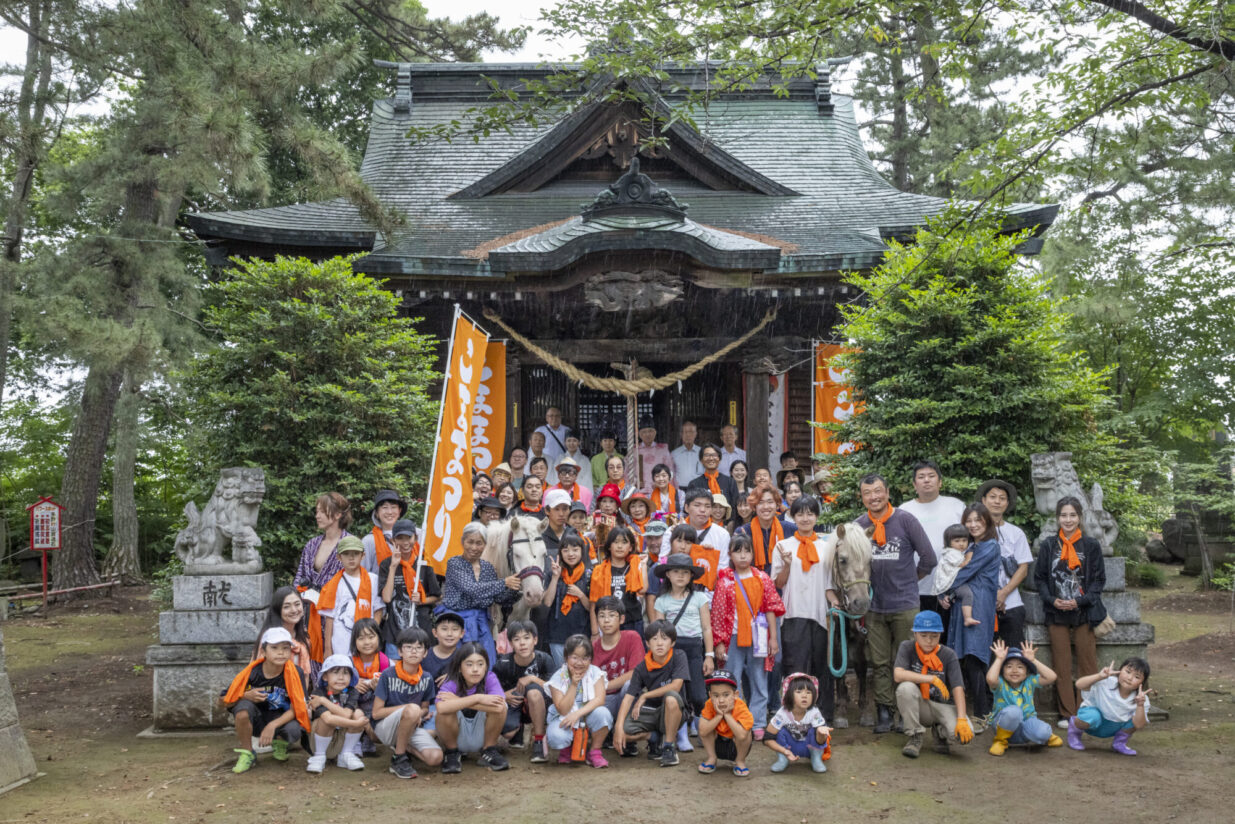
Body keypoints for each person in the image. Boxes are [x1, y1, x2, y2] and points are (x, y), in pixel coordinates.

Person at [856, 473, 937, 734]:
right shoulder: (859, 526)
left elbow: (929, 558)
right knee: (879, 662)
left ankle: (907, 712)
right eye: (868, 493)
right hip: (874, 607)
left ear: (888, 492)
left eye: (878, 491)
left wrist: (911, 580)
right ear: (862, 497)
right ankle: (884, 711)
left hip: (905, 605)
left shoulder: (905, 520)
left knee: (907, 660)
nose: (874, 497)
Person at [1035, 495, 1107, 724]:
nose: (1068, 520)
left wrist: (1080, 601)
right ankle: (1067, 713)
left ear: (1080, 517)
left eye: (1072, 515)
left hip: (1084, 612)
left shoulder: (1091, 545)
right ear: (1057, 518)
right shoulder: (1048, 545)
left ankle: (1085, 711)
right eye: (1063, 515)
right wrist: (1052, 600)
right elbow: (1040, 579)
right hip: (1056, 613)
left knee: (1088, 663)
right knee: (1062, 665)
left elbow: (1098, 581)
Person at [772, 496, 839, 723]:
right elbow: (777, 584)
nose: (805, 518)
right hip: (792, 614)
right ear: (792, 516)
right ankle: (793, 717)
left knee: (822, 667)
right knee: (795, 668)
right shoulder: (782, 546)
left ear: (817, 517)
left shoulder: (826, 547)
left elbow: (830, 585)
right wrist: (788, 565)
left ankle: (823, 717)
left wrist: (836, 605)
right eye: (800, 514)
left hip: (820, 615)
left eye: (810, 513)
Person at [711, 535, 785, 740]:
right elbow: (717, 613)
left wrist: (773, 638)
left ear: (753, 553)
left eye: (747, 551)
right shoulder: (724, 580)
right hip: (732, 637)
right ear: (730, 555)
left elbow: (771, 608)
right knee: (732, 680)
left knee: (759, 679)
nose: (743, 556)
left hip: (759, 637)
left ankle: (758, 722)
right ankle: (735, 720)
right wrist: (718, 642)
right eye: (738, 551)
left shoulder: (762, 578)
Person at [940, 504, 1001, 722]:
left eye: (979, 520)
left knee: (975, 657)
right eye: (969, 520)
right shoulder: (968, 546)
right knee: (961, 657)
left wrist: (943, 589)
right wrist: (946, 594)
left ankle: (982, 712)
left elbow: (964, 572)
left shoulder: (989, 546)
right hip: (963, 604)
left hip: (979, 605)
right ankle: (968, 711)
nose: (973, 525)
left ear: (987, 522)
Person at [223, 627, 311, 774]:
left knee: (295, 727)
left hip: (281, 720)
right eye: (274, 648)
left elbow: (299, 706)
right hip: (257, 719)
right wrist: (246, 695)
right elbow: (224, 700)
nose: (281, 652)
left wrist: (273, 726)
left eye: (285, 648)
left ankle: (280, 742)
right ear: (263, 651)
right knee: (243, 709)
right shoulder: (251, 673)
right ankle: (247, 753)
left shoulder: (296, 673)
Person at [652, 553, 714, 751]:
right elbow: (658, 632)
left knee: (698, 695)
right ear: (668, 574)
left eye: (685, 572)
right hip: (673, 651)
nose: (680, 576)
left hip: (695, 649)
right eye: (676, 571)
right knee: (678, 694)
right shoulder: (661, 601)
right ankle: (680, 736)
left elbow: (706, 628)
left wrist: (709, 655)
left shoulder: (699, 597)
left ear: (691, 576)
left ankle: (703, 731)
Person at [892, 611, 974, 758]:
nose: (929, 641)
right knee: (905, 688)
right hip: (920, 704)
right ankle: (915, 736)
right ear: (915, 634)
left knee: (966, 734)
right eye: (923, 636)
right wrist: (930, 679)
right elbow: (898, 675)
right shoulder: (907, 647)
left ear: (940, 635)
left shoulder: (948, 654)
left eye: (934, 636)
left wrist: (961, 718)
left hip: (944, 705)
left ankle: (940, 732)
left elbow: (958, 688)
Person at [439, 521, 522, 662]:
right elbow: (471, 589)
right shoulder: (455, 563)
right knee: (460, 662)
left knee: (487, 660)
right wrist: (504, 582)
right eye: (470, 542)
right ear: (462, 541)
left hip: (481, 623)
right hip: (456, 623)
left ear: (485, 545)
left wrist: (516, 589)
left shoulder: (488, 568)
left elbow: (498, 597)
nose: (474, 547)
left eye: (479, 543)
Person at [612, 620, 689, 767]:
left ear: (672, 643)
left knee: (671, 697)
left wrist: (645, 695)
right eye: (654, 639)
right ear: (647, 643)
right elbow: (628, 699)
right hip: (651, 713)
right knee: (624, 732)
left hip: (674, 712)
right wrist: (618, 728)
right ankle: (653, 737)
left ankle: (669, 747)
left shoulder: (679, 656)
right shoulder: (642, 667)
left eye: (664, 639)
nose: (659, 643)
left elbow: (676, 686)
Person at [371, 627, 443, 779]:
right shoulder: (387, 675)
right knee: (412, 709)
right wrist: (410, 710)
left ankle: (403, 747)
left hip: (411, 725)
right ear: (400, 652)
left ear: (425, 653)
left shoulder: (426, 678)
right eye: (408, 647)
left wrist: (419, 713)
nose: (414, 651)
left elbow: (424, 708)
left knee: (435, 758)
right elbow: (376, 713)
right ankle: (399, 758)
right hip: (385, 727)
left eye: (418, 648)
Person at [899, 462, 966, 616]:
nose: (926, 480)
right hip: (914, 588)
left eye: (931, 476)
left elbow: (970, 544)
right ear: (914, 484)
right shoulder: (903, 510)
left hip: (950, 588)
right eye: (921, 477)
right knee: (918, 637)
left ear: (940, 482)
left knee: (947, 637)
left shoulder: (956, 506)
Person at [294, 492, 353, 663]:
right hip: (309, 612)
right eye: (317, 511)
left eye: (321, 511)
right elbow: (300, 577)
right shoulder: (312, 544)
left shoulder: (349, 544)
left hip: (337, 615)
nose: (317, 516)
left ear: (337, 515)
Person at [435, 642, 510, 772]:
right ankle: (452, 753)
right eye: (469, 664)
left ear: (486, 666)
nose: (475, 669)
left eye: (480, 664)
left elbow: (499, 707)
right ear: (459, 667)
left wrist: (459, 701)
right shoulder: (451, 681)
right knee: (446, 711)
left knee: (502, 706)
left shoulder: (490, 678)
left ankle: (489, 750)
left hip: (482, 734)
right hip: (457, 736)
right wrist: (478, 698)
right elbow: (441, 708)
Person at [977, 478, 1034, 648]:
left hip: (1012, 602)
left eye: (1002, 498)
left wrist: (1003, 593)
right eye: (993, 497)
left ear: (1007, 503)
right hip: (982, 602)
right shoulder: (974, 530)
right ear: (983, 500)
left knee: (1015, 653)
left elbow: (1023, 568)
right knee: (983, 654)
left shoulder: (1016, 533)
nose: (997, 501)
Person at [544, 635, 613, 767]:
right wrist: (574, 685)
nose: (579, 663)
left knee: (603, 714)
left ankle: (594, 752)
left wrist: (577, 714)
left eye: (585, 658)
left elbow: (600, 699)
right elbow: (563, 709)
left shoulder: (595, 672)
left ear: (590, 659)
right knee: (556, 737)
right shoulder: (558, 677)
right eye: (574, 657)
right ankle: (567, 748)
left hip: (586, 715)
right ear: (566, 658)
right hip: (563, 717)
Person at [985, 640, 1062, 755]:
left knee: (1043, 732)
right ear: (1002, 671)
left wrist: (1033, 660)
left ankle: (1046, 736)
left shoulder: (1030, 681)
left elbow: (1052, 677)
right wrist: (999, 659)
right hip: (1003, 727)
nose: (1014, 670)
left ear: (1027, 672)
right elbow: (991, 679)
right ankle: (1000, 741)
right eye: (1009, 666)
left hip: (1025, 729)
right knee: (1014, 712)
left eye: (1020, 667)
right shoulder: (1000, 683)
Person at [591, 595, 645, 753]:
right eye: (601, 616)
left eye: (611, 615)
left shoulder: (632, 637)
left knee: (630, 685)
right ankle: (606, 732)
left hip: (626, 697)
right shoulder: (593, 647)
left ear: (621, 619)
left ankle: (627, 734)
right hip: (604, 699)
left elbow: (635, 673)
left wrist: (606, 685)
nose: (606, 621)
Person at [379, 519, 440, 657]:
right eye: (400, 538)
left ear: (416, 538)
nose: (405, 543)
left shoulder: (424, 562)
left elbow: (437, 595)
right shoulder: (386, 564)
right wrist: (393, 567)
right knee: (395, 674)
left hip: (422, 632)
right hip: (395, 633)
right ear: (393, 540)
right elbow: (387, 598)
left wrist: (422, 600)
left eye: (409, 537)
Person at [494, 620, 552, 762]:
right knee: (508, 733)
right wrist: (503, 695)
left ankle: (538, 740)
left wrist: (532, 679)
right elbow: (490, 690)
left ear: (535, 640)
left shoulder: (544, 659)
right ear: (510, 643)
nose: (522, 643)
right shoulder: (502, 664)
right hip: (514, 702)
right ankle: (517, 730)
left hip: (538, 703)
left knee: (533, 692)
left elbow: (555, 688)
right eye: (516, 639)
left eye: (526, 638)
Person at [319, 536, 385, 660]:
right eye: (346, 554)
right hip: (341, 642)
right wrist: (328, 648)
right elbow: (329, 617)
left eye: (355, 554)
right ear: (339, 557)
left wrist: (371, 634)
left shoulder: (372, 580)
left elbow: (378, 610)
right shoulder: (334, 583)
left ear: (363, 556)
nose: (351, 558)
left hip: (366, 641)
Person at [1068, 658, 1152, 755]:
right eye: (1128, 672)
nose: (1129, 678)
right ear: (1120, 670)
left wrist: (1140, 705)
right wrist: (1099, 676)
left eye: (1137, 677)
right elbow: (1079, 684)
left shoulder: (1141, 698)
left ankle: (1119, 743)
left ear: (1142, 682)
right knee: (1092, 715)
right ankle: (1074, 732)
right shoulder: (1106, 682)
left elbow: (1139, 724)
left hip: (1113, 728)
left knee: (1137, 716)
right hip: (1092, 723)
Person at [305, 654, 367, 774]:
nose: (341, 677)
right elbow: (328, 719)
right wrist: (356, 724)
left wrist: (324, 701)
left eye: (345, 673)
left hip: (341, 740)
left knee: (358, 713)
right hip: (320, 741)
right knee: (323, 720)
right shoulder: (319, 692)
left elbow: (346, 714)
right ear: (325, 676)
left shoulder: (352, 691)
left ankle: (346, 754)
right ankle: (319, 756)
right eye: (335, 672)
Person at [765, 673, 831, 774]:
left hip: (809, 748)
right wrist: (784, 751)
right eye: (799, 692)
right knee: (779, 730)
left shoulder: (814, 712)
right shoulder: (783, 713)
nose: (804, 695)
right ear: (789, 694)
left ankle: (816, 759)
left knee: (816, 730)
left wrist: (821, 734)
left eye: (809, 692)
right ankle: (783, 759)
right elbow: (767, 738)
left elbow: (821, 742)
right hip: (789, 748)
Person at [588, 525, 647, 635]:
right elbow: (593, 604)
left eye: (624, 542)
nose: (620, 546)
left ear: (630, 547)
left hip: (632, 622)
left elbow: (643, 589)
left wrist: (642, 565)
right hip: (608, 624)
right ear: (609, 546)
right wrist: (595, 632)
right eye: (616, 542)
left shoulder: (634, 566)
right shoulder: (599, 571)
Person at [545, 535, 593, 667]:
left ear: (582, 551)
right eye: (565, 550)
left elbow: (592, 608)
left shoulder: (590, 574)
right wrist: (555, 578)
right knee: (562, 674)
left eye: (575, 549)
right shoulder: (554, 572)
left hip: (582, 633)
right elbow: (548, 602)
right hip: (557, 634)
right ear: (560, 552)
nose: (570, 554)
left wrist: (581, 595)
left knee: (580, 671)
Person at [697, 669, 755, 776]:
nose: (721, 700)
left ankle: (740, 761)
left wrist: (727, 715)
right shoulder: (709, 704)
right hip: (717, 744)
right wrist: (719, 715)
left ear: (735, 694)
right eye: (716, 695)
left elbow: (742, 736)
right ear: (710, 695)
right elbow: (702, 731)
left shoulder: (741, 707)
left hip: (735, 747)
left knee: (747, 732)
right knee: (706, 726)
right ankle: (712, 758)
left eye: (726, 695)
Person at [253, 586, 316, 683]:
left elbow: (305, 676)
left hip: (298, 694)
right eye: (286, 606)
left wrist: (303, 697)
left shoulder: (304, 636)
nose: (294, 610)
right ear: (278, 611)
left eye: (297, 604)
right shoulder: (270, 639)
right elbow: (257, 674)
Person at [662, 486, 731, 571]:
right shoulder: (672, 531)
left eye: (707, 506)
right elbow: (662, 563)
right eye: (697, 505)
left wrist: (710, 557)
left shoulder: (722, 534)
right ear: (686, 508)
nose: (702, 510)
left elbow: (723, 569)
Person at [348, 617, 388, 758]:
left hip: (372, 700)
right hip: (355, 699)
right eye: (361, 638)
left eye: (371, 637)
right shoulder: (350, 661)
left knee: (375, 704)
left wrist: (378, 686)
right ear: (354, 641)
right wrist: (353, 683)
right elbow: (341, 683)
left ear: (378, 637)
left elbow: (386, 685)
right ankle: (355, 741)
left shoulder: (383, 660)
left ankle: (368, 739)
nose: (367, 643)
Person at [734, 482, 794, 574]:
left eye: (770, 502)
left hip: (783, 584)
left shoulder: (790, 529)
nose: (766, 507)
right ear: (754, 506)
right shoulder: (743, 531)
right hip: (752, 584)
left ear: (777, 505)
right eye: (761, 502)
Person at [931, 524, 979, 627]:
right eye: (957, 541)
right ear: (949, 543)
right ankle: (968, 618)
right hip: (950, 583)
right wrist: (970, 555)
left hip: (947, 583)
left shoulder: (954, 552)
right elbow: (964, 564)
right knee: (967, 594)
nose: (961, 544)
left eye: (964, 540)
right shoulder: (951, 553)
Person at [362, 489, 406, 576]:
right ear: (377, 513)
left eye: (393, 507)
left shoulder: (412, 536)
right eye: (384, 507)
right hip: (379, 588)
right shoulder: (368, 541)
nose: (389, 512)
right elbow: (362, 573)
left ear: (399, 511)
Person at [689, 444, 740, 515]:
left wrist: (730, 523)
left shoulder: (730, 482)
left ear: (719, 459)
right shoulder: (694, 484)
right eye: (707, 455)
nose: (711, 458)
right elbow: (691, 508)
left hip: (725, 524)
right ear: (701, 460)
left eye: (714, 455)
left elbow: (735, 506)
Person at [424, 610, 464, 685]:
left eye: (455, 629)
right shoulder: (423, 655)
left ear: (462, 633)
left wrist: (456, 676)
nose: (449, 634)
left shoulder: (464, 657)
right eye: (444, 629)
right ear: (435, 633)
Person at [671, 420, 703, 487]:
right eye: (685, 432)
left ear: (696, 434)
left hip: (698, 489)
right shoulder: (674, 454)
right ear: (681, 434)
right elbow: (671, 475)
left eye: (691, 432)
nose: (688, 435)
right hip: (680, 491)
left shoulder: (702, 452)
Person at [562, 432, 594, 497]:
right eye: (569, 441)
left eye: (574, 440)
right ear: (565, 443)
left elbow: (588, 480)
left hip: (580, 494)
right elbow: (556, 478)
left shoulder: (585, 460)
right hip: (563, 493)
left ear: (579, 442)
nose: (571, 443)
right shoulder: (560, 458)